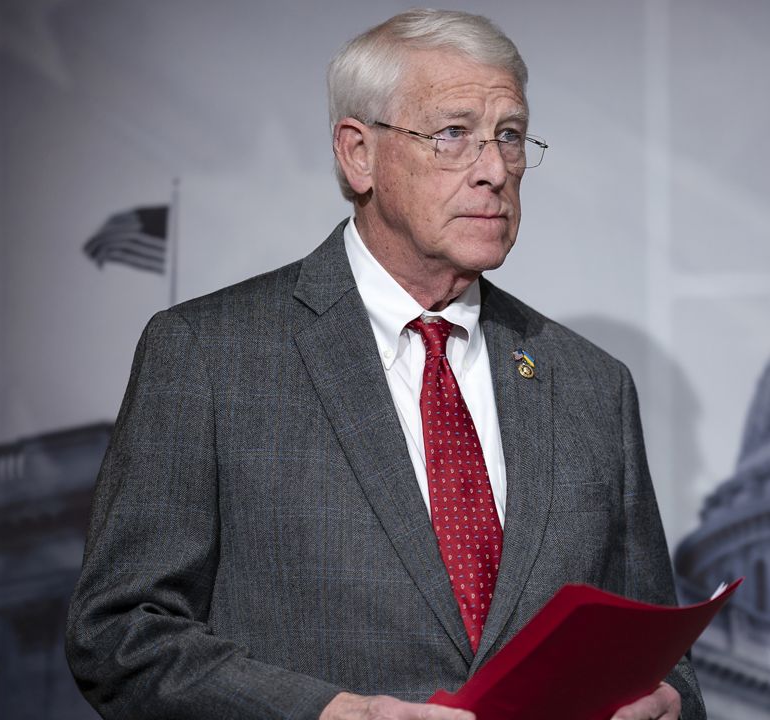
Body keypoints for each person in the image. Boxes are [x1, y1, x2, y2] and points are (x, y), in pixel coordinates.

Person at [65, 9, 704, 720]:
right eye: (454, 134)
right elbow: (120, 634)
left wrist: (673, 703)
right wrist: (334, 714)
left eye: (511, 136)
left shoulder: (591, 384)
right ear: (358, 153)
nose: (494, 170)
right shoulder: (209, 355)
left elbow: (660, 646)